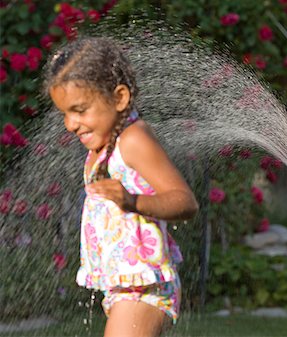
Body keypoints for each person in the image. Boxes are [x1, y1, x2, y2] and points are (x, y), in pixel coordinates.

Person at [44, 37, 199, 337]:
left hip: (146, 288)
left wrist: (133, 201)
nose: (70, 124)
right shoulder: (106, 145)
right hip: (124, 285)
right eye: (65, 113)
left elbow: (185, 201)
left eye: (80, 110)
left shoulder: (133, 138)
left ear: (119, 98)